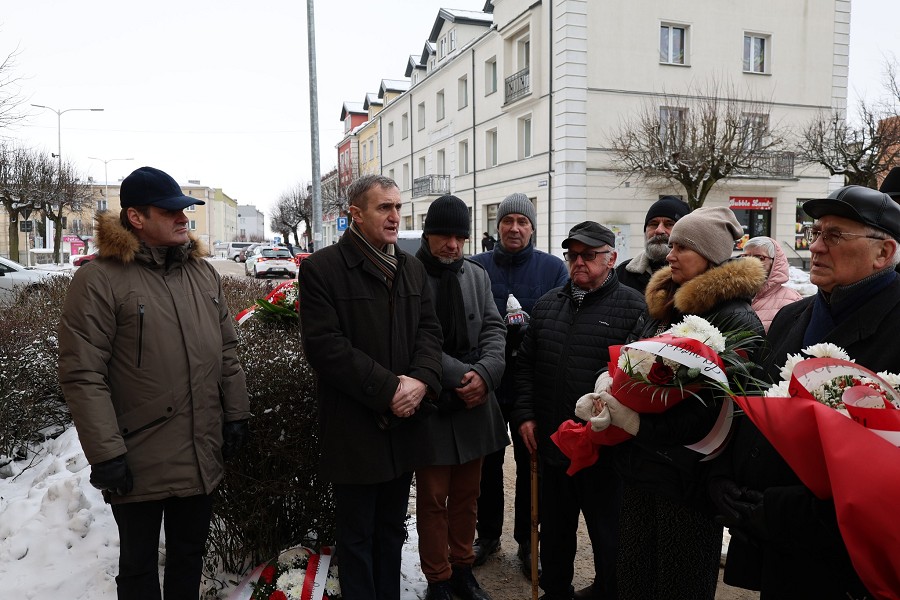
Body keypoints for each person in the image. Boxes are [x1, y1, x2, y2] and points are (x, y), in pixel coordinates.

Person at [58, 166, 251, 599]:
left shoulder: (202, 274)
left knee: (189, 557)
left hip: (200, 448)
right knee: (139, 568)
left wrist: (237, 414)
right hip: (138, 453)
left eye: (185, 210)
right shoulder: (99, 280)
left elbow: (226, 352)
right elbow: (82, 374)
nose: (184, 218)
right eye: (171, 211)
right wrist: (106, 454)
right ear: (136, 217)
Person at [711, 185, 900, 598]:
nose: (814, 247)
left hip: (846, 560)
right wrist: (725, 477)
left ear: (883, 253)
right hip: (772, 540)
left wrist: (788, 512)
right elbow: (757, 402)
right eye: (815, 232)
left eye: (834, 236)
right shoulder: (793, 315)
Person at [600, 206, 766, 600]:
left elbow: (714, 412)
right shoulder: (667, 304)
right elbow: (635, 362)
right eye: (671, 245)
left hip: (687, 480)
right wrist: (611, 383)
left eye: (682, 247)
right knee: (635, 578)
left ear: (710, 255)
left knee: (679, 583)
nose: (670, 254)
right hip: (642, 466)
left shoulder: (735, 319)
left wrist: (640, 425)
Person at [298, 174, 443, 600]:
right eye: (385, 208)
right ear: (356, 215)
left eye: (398, 207)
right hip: (355, 430)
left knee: (390, 531)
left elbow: (430, 334)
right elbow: (326, 347)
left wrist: (420, 382)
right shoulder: (323, 269)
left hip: (404, 427)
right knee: (357, 537)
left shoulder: (411, 267)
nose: (395, 216)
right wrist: (389, 391)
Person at [513, 221, 646, 600]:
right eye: (573, 255)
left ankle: (608, 590)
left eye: (590, 255)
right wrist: (525, 415)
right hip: (555, 443)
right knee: (555, 533)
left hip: (606, 452)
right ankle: (557, 592)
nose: (579, 262)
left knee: (610, 536)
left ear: (612, 258)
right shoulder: (547, 305)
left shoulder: (633, 307)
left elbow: (633, 378)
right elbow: (525, 365)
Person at [414, 195, 508, 600]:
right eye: (444, 235)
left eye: (459, 236)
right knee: (434, 499)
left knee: (468, 496)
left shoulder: (476, 275)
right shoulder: (408, 273)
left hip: (475, 401)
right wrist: (461, 376)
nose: (452, 244)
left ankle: (462, 570)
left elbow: (494, 328)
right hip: (434, 400)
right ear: (428, 234)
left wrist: (485, 375)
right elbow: (413, 339)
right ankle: (438, 579)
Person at [470, 192, 569, 578]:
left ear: (532, 227)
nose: (514, 228)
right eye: (508, 221)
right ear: (497, 226)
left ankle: (529, 540)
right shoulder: (475, 267)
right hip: (489, 382)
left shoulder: (551, 269)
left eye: (522, 222)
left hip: (531, 383)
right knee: (487, 463)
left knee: (533, 461)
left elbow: (560, 320)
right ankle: (488, 534)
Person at [615, 195, 689, 294]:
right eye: (653, 224)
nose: (659, 230)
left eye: (669, 224)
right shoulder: (623, 274)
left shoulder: (695, 275)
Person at [741, 236, 803, 331]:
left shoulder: (791, 300)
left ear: (775, 263)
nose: (750, 262)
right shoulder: (732, 294)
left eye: (760, 258)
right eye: (745, 257)